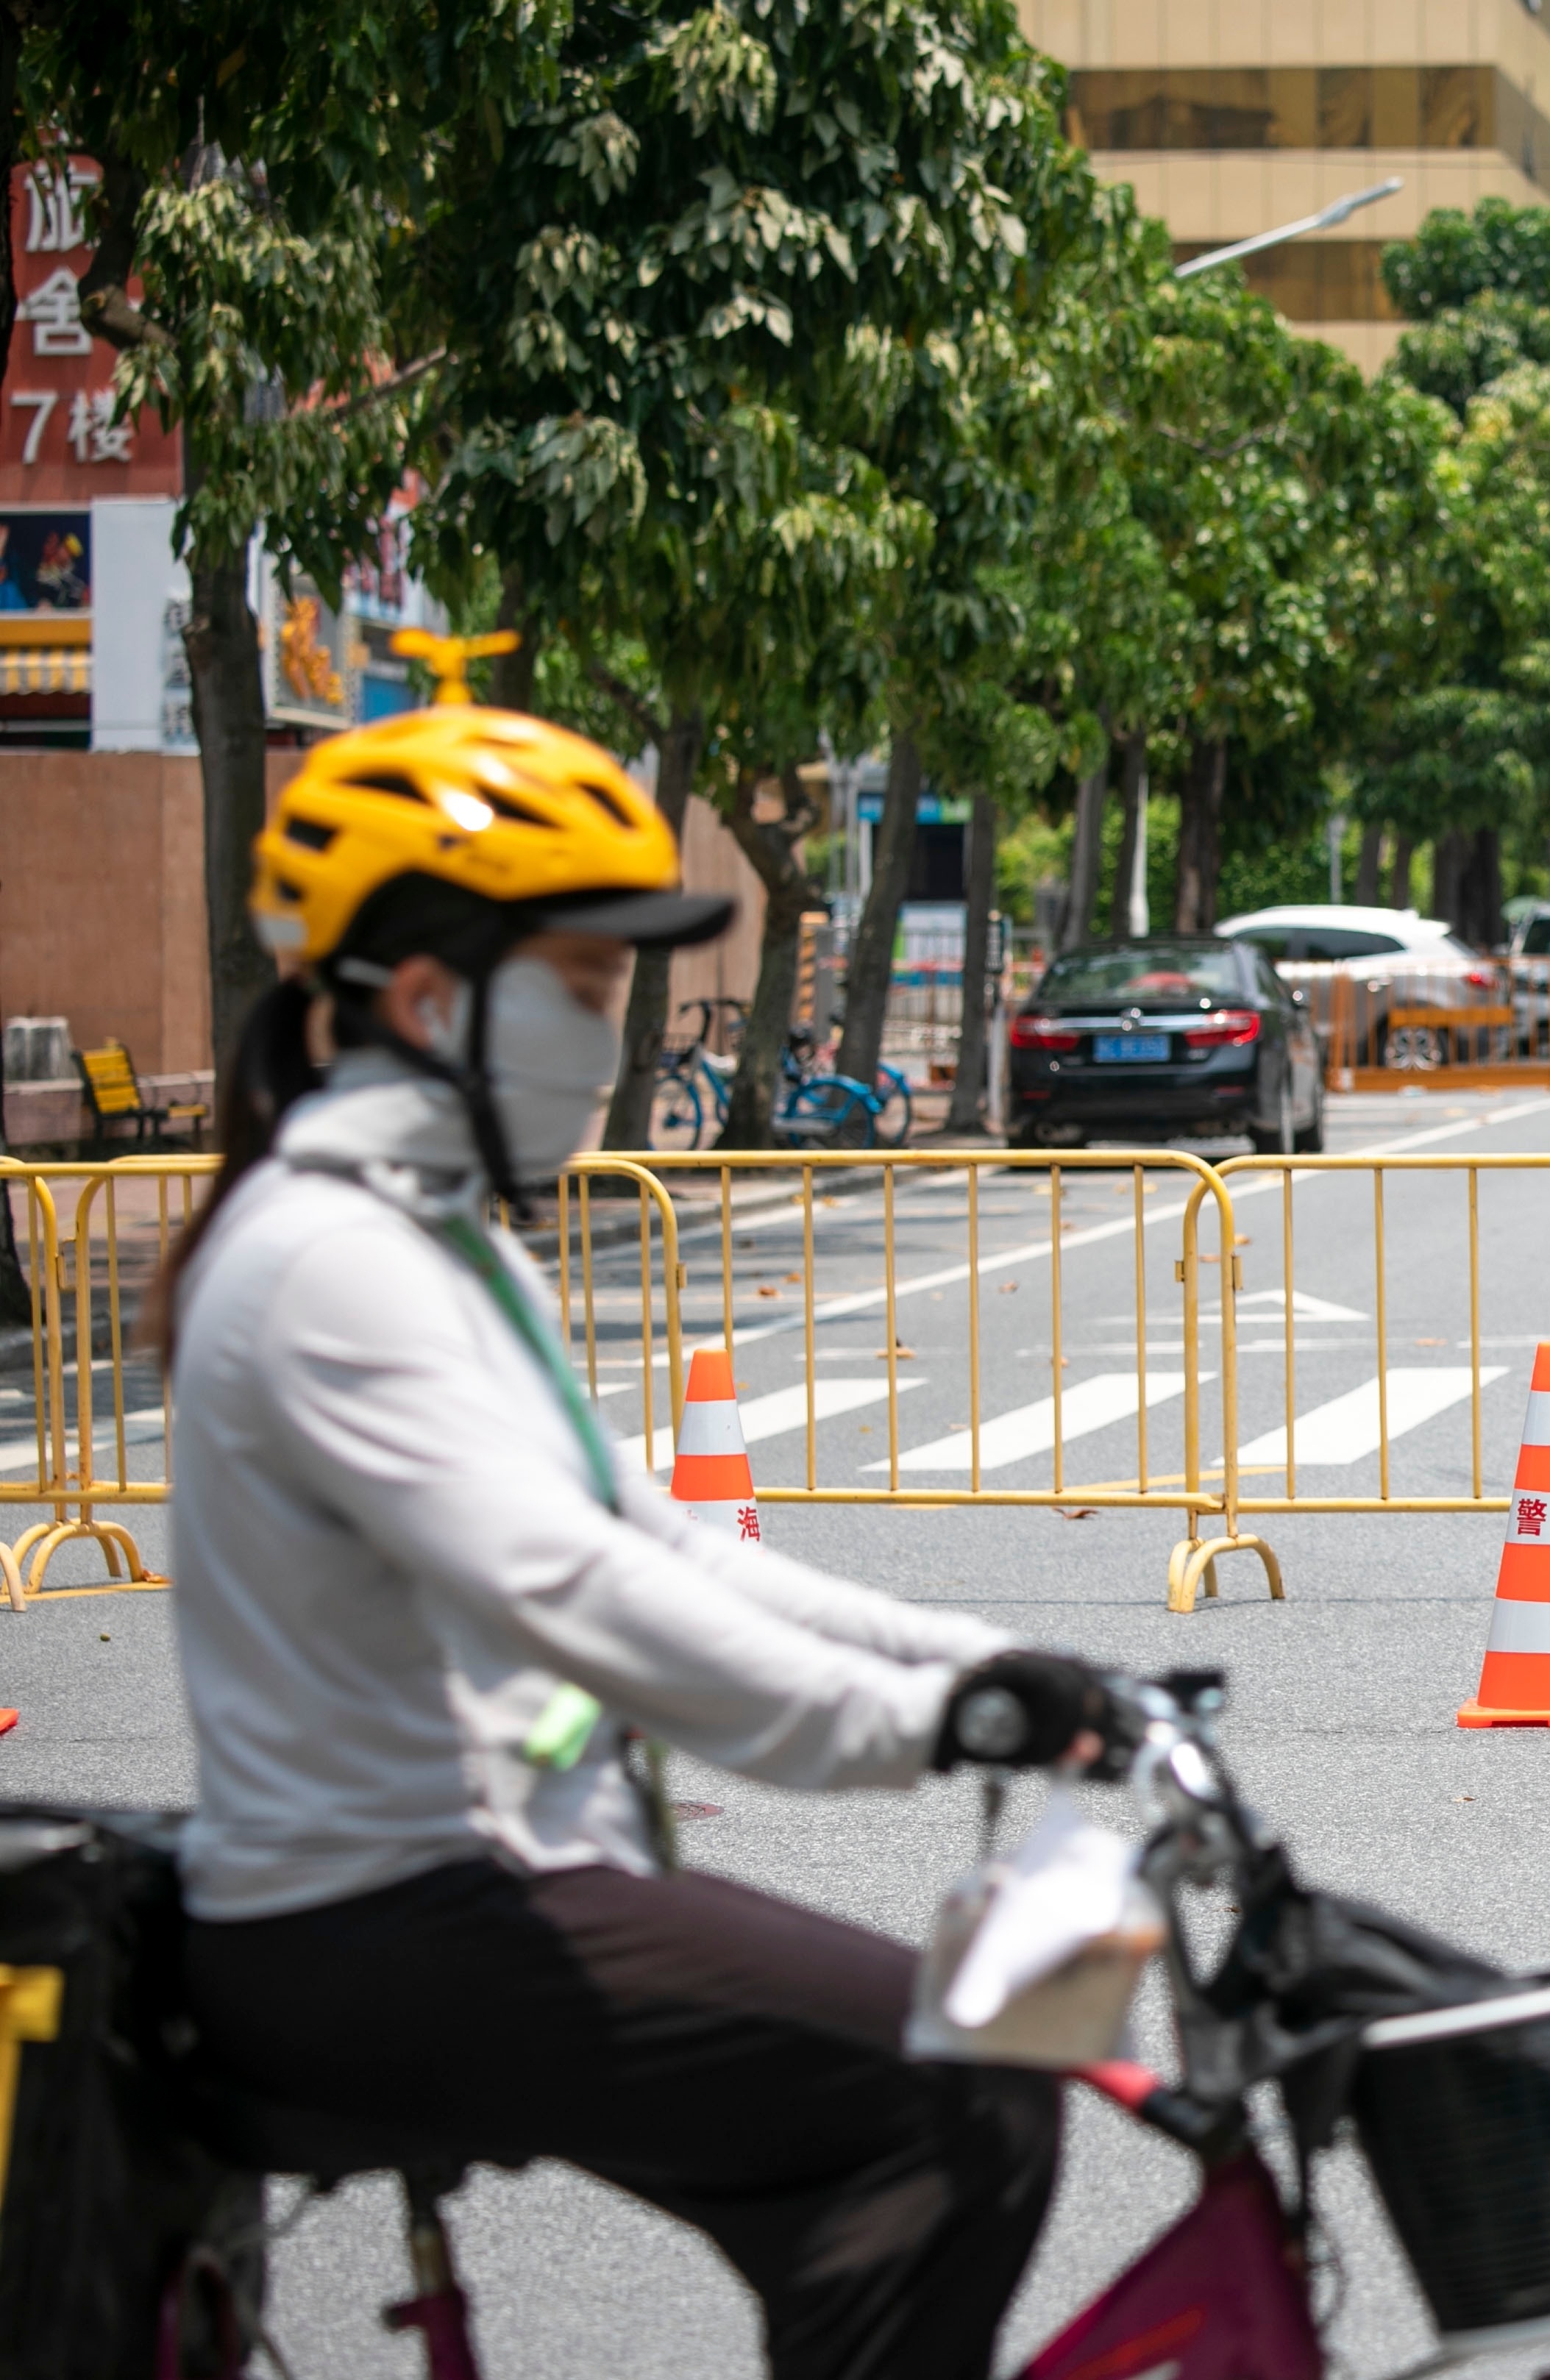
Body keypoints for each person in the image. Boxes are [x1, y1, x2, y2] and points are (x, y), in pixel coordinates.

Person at [159, 639, 1126, 2380]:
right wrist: (916, 1724)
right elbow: (564, 1584)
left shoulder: (442, 1234)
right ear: (427, 997)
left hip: (477, 1884)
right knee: (953, 2099)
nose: (611, 1027)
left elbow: (655, 1534)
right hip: (383, 1918)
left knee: (890, 2151)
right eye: (582, 977)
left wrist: (993, 1659)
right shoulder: (327, 1259)